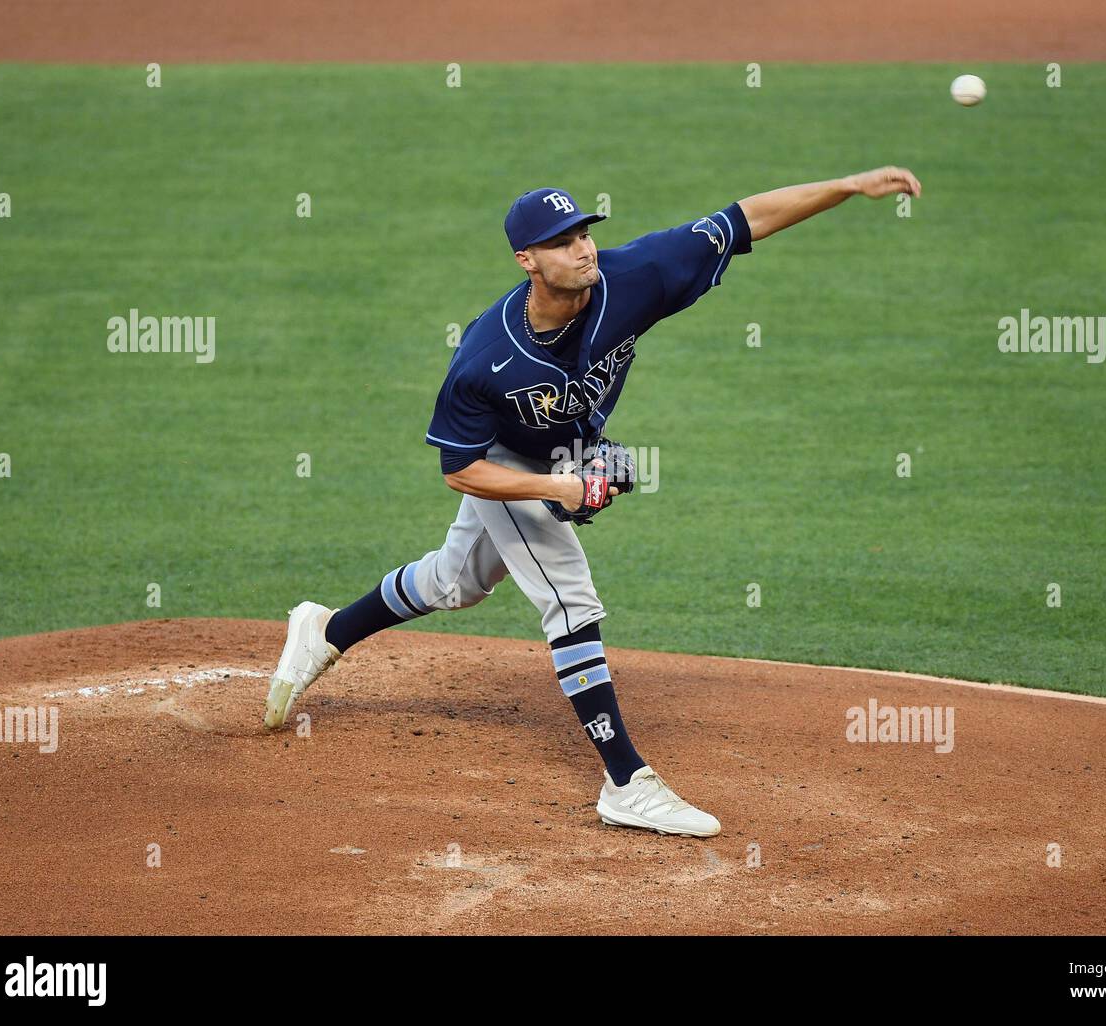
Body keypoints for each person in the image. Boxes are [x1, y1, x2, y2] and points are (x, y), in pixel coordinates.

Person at [264, 168, 922, 838]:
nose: (581, 248)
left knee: (454, 582)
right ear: (527, 260)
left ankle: (326, 630)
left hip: (565, 452)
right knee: (569, 596)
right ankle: (626, 782)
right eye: (560, 241)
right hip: (507, 465)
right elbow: (462, 470)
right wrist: (557, 487)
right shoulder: (485, 358)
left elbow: (745, 219)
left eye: (583, 232)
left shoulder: (634, 275)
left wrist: (848, 185)